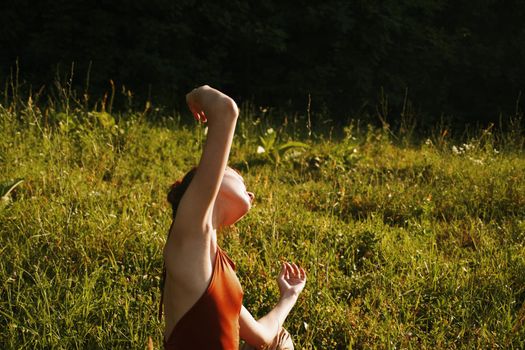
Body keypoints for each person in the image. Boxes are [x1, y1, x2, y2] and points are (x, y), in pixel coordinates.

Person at [160, 85, 307, 350]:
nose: (249, 191)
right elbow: (225, 110)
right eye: (237, 175)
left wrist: (289, 295)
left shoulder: (217, 265)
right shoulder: (191, 236)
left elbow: (261, 336)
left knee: (280, 341)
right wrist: (198, 94)